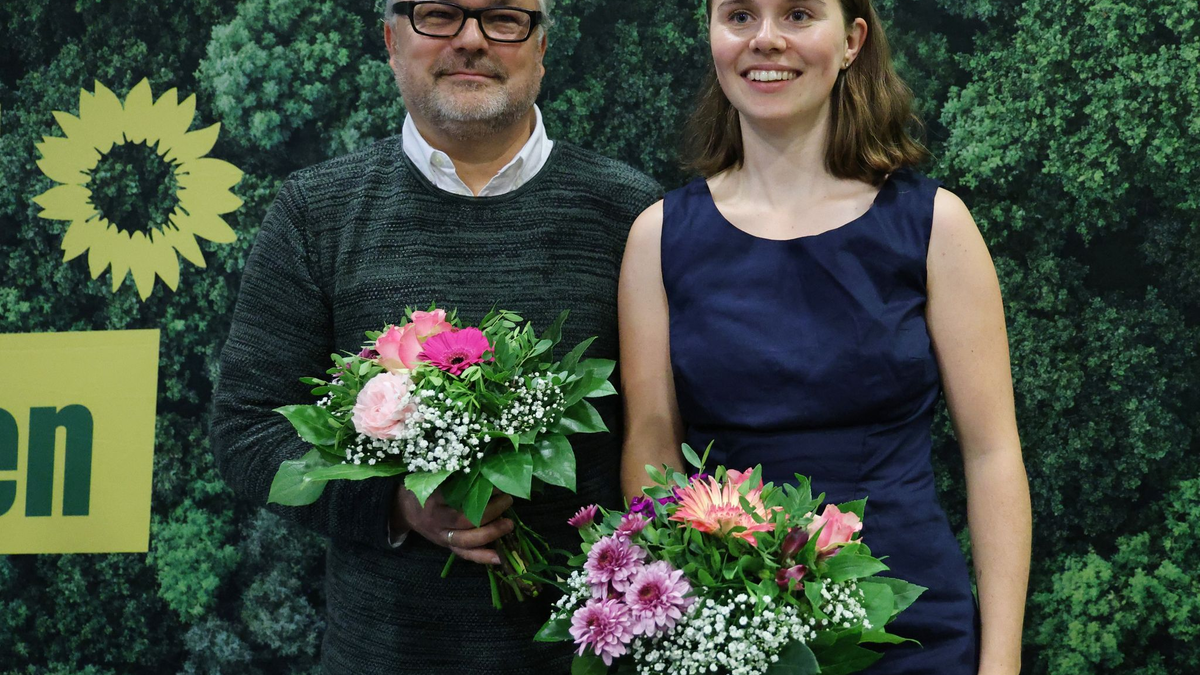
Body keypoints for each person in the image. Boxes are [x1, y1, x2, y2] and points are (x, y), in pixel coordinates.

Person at [210, 0, 660, 672]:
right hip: (383, 656)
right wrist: (396, 504)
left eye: (503, 18)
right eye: (441, 14)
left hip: (588, 656)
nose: (472, 40)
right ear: (392, 40)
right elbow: (247, 432)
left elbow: (670, 435)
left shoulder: (634, 215)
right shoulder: (316, 213)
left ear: (541, 48)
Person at [618, 1, 1031, 673]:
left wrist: (1002, 661)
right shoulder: (657, 239)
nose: (766, 39)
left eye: (799, 14)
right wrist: (675, 630)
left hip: (914, 630)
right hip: (732, 635)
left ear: (851, 41)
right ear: (712, 35)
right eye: (740, 16)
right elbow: (653, 449)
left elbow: (992, 454)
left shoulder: (935, 225)